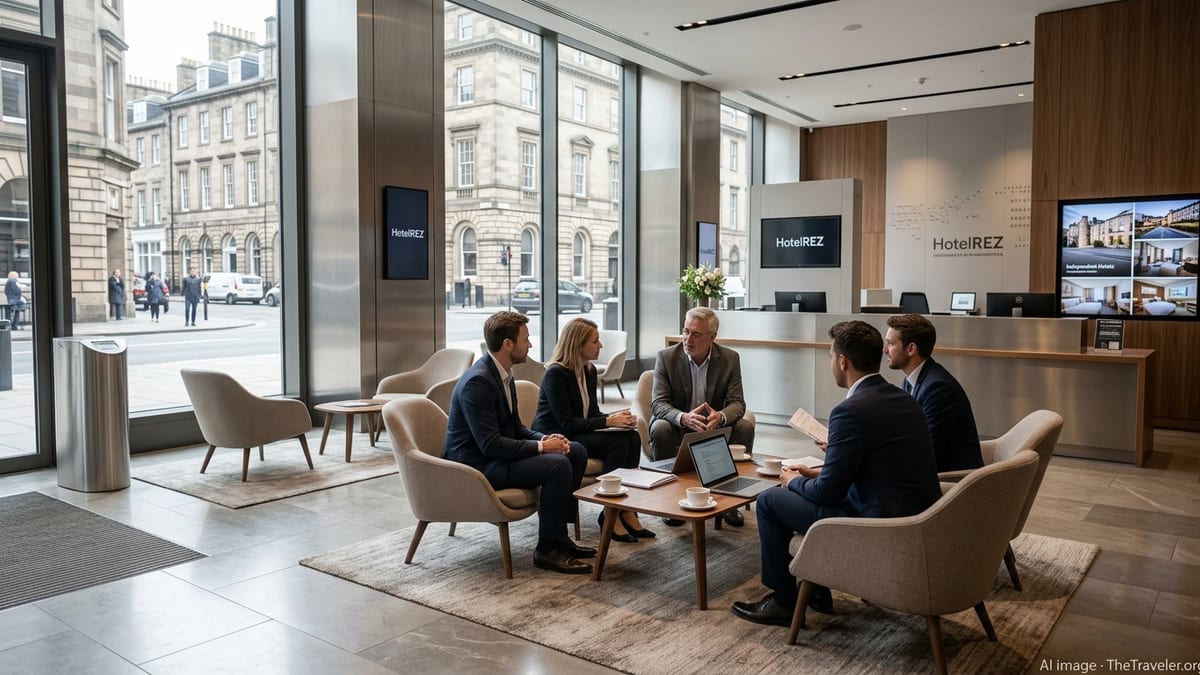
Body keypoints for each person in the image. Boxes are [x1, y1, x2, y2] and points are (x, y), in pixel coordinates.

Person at [731, 320, 941, 627]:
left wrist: (796, 481)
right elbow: (874, 464)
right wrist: (820, 472)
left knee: (770, 501)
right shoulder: (903, 398)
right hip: (914, 518)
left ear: (842, 361)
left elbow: (828, 493)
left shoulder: (850, 411)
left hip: (877, 527)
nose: (831, 362)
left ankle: (783, 602)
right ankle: (816, 589)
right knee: (804, 487)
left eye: (831, 355)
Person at [443, 311, 594, 574]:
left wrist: (544, 438)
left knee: (576, 451)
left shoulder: (502, 374)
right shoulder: (478, 382)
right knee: (557, 465)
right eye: (525, 339)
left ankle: (558, 535)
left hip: (494, 456)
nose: (530, 345)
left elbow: (515, 428)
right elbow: (490, 445)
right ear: (507, 344)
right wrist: (542, 448)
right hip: (476, 466)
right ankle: (546, 549)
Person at [532, 318, 652, 543]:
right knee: (618, 442)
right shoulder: (555, 374)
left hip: (578, 432)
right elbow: (566, 423)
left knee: (631, 437)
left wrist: (616, 419)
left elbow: (593, 413)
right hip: (557, 436)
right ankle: (609, 510)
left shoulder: (588, 371)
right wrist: (608, 422)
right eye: (596, 341)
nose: (601, 346)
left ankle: (625, 508)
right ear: (578, 345)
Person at [650, 306, 754, 526]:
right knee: (659, 427)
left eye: (696, 334)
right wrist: (683, 417)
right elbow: (658, 403)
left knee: (744, 427)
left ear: (712, 337)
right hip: (678, 427)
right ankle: (668, 504)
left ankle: (730, 502)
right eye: (685, 331)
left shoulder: (729, 358)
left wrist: (721, 417)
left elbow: (738, 402)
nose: (688, 338)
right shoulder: (666, 357)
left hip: (712, 428)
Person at [884, 314, 984, 472]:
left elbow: (926, 451)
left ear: (911, 349)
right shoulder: (912, 379)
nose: (885, 350)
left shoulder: (938, 388)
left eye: (890, 344)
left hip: (953, 480)